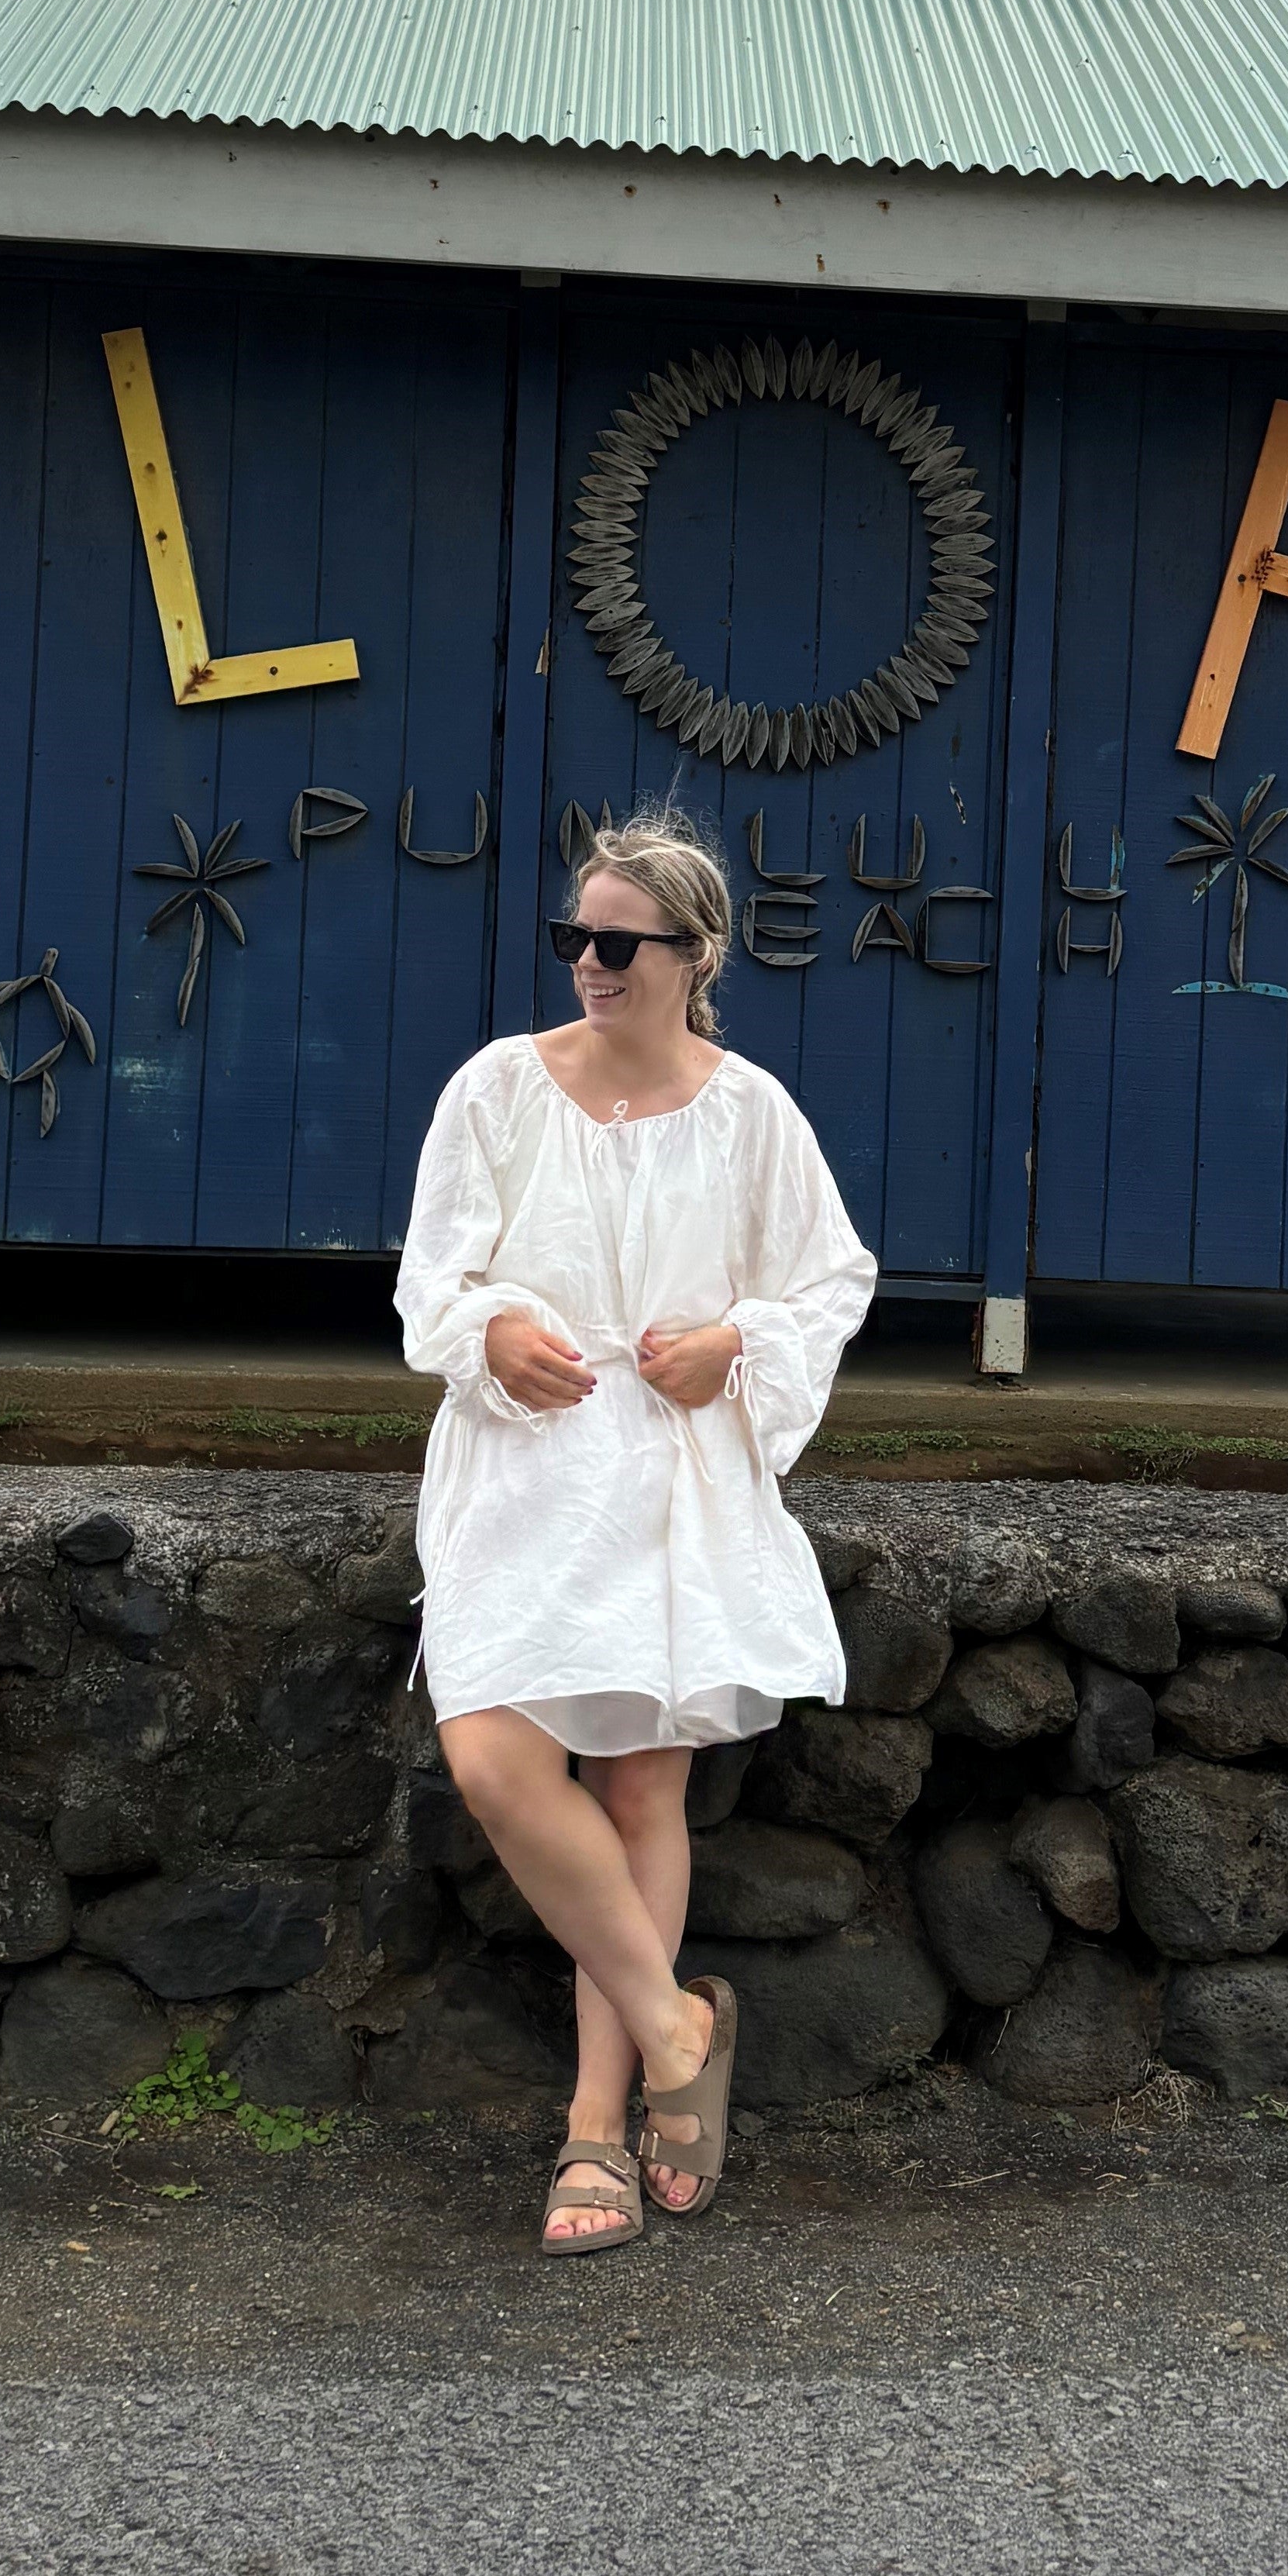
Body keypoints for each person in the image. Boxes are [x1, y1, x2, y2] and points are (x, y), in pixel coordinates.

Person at [396, 802, 878, 2251]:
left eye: (617, 943)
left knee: (642, 1795)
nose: (589, 965)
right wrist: (492, 1336)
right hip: (526, 1465)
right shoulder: (495, 1090)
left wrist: (735, 1343)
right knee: (491, 1754)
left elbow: (830, 1280)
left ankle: (596, 2128)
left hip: (671, 1475)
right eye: (575, 939)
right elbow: (431, 1281)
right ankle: (684, 2031)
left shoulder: (752, 1112)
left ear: (694, 952)